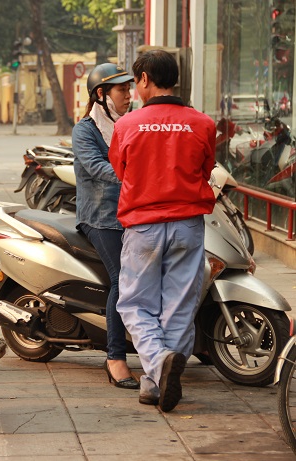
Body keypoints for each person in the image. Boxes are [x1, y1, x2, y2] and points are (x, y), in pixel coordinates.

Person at [108, 50, 216, 412]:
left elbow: (122, 173)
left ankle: (155, 364)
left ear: (143, 80)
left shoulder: (126, 125)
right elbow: (206, 170)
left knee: (135, 304)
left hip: (143, 226)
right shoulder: (203, 123)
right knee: (179, 305)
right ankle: (156, 383)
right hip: (188, 226)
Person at [71, 63, 139, 390]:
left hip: (131, 212)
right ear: (102, 94)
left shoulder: (129, 125)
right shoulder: (85, 130)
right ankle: (115, 357)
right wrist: (133, 177)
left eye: (129, 88)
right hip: (99, 216)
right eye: (122, 90)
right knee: (121, 279)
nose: (129, 95)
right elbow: (97, 167)